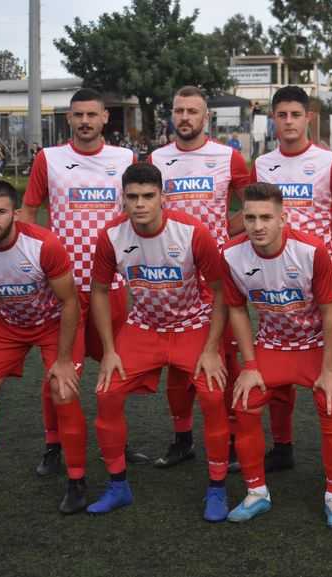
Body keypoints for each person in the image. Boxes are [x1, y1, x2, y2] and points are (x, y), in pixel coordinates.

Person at [86, 162, 232, 520]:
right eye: (132, 196)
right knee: (106, 393)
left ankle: (217, 488)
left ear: (162, 197)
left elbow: (221, 291)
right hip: (144, 326)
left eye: (148, 196)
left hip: (192, 325)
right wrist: (109, 351)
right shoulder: (111, 235)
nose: (140, 204)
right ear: (122, 199)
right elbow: (100, 291)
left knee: (213, 396)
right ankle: (117, 486)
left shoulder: (192, 232)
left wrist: (211, 349)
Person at [250, 85, 332, 475]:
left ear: (308, 118)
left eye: (295, 115)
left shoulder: (329, 161)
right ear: (273, 119)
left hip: (320, 281)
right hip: (273, 280)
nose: (288, 122)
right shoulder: (262, 164)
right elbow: (251, 214)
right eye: (281, 115)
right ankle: (282, 446)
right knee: (277, 359)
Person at [0, 180, 88, 514]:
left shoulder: (43, 245)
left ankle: (77, 482)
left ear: (15, 213)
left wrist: (64, 360)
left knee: (62, 390)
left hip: (54, 322)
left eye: (0, 212)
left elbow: (70, 302)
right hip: (7, 325)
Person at [19, 88, 140, 474]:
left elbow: (138, 210)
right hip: (64, 288)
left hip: (111, 285)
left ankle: (117, 440)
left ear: (105, 118)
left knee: (116, 367)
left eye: (92, 114)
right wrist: (29, 262)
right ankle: (54, 444)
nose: (85, 121)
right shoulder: (49, 158)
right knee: (59, 369)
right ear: (69, 119)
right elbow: (28, 213)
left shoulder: (125, 159)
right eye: (78, 115)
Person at [221, 182, 332, 527]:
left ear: (283, 218)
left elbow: (331, 313)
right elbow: (236, 310)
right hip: (273, 344)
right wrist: (250, 365)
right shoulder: (231, 254)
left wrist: (329, 370)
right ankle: (256, 493)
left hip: (318, 345)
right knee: (245, 401)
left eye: (266, 217)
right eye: (250, 218)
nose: (257, 226)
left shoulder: (311, 250)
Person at [147, 86, 252, 472]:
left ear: (206, 117)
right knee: (177, 362)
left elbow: (252, 202)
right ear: (172, 115)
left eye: (193, 111)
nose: (185, 117)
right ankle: (182, 438)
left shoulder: (228, 157)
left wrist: (225, 231)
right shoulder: (157, 159)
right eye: (179, 111)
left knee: (225, 358)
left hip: (217, 274)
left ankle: (232, 436)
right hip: (172, 276)